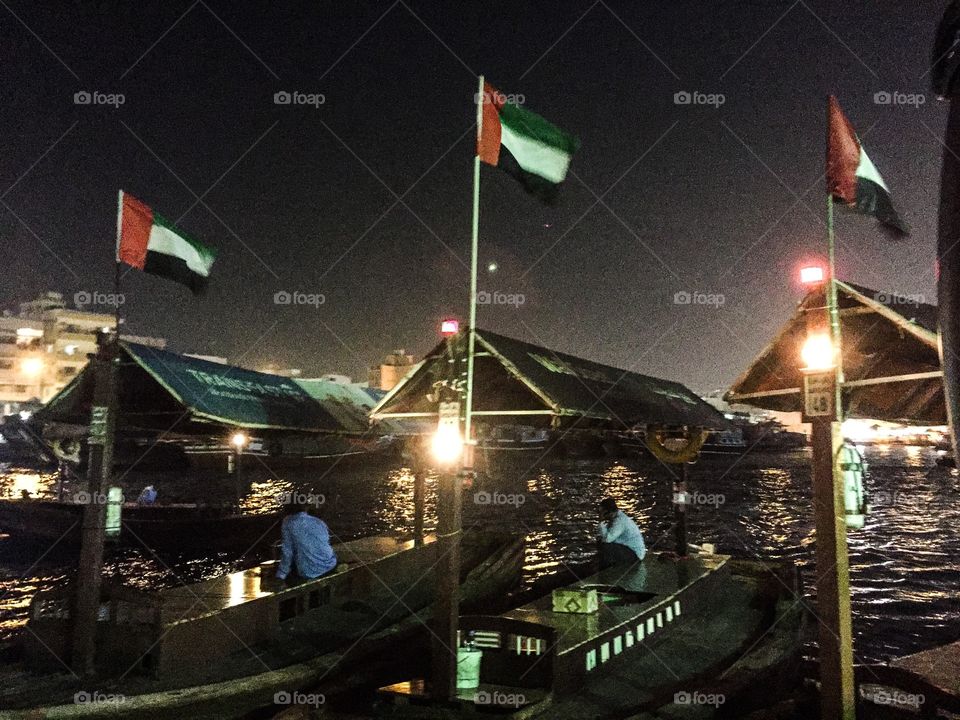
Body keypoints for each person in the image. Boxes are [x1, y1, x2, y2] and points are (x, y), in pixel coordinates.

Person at [276, 501, 338, 584]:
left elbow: (287, 552)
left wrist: (281, 574)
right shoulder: (319, 521)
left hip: (309, 572)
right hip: (331, 564)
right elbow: (326, 540)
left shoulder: (287, 523)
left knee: (292, 570)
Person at [596, 497, 646, 569]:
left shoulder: (620, 521)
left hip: (635, 554)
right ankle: (605, 563)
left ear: (608, 512)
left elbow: (607, 539)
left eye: (602, 513)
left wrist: (601, 522)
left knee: (605, 545)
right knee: (600, 542)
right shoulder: (616, 517)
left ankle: (605, 567)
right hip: (627, 549)